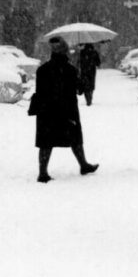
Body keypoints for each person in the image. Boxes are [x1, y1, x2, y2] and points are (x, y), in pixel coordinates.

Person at [30, 37, 98, 183]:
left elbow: (40, 91)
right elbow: (80, 90)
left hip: (47, 111)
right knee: (75, 138)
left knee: (46, 141)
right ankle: (83, 164)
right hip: (67, 111)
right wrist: (83, 75)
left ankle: (42, 172)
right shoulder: (70, 70)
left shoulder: (42, 70)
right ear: (65, 52)